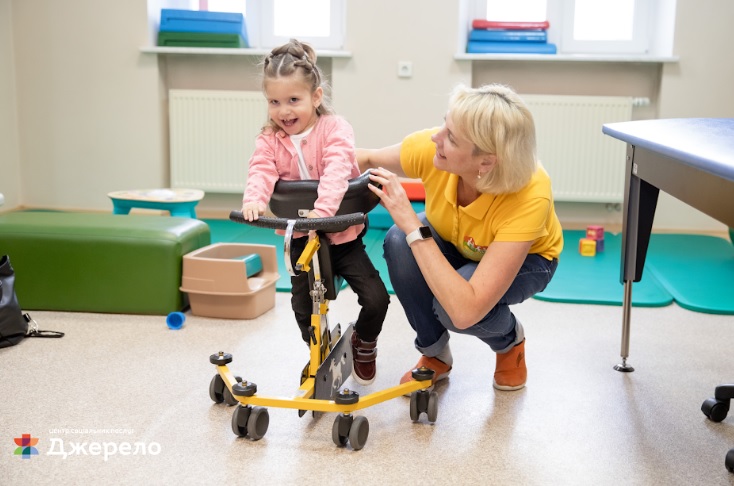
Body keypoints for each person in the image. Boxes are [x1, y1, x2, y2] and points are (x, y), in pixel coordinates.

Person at [357, 83, 563, 391]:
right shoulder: (434, 150)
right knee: (399, 241)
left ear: (486, 162)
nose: (436, 137)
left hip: (531, 261)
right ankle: (435, 354)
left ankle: (510, 342)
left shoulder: (530, 195)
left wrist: (411, 222)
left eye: (451, 138)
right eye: (445, 125)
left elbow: (465, 311)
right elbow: (364, 158)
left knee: (453, 310)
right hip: (457, 241)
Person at [240, 39, 390, 386]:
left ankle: (364, 342)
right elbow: (261, 169)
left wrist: (322, 213)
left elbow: (338, 170)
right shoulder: (269, 139)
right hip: (300, 241)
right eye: (274, 102)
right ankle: (317, 351)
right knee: (301, 307)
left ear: (316, 96)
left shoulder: (335, 129)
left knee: (377, 299)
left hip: (342, 237)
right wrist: (255, 199)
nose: (284, 111)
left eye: (293, 100)